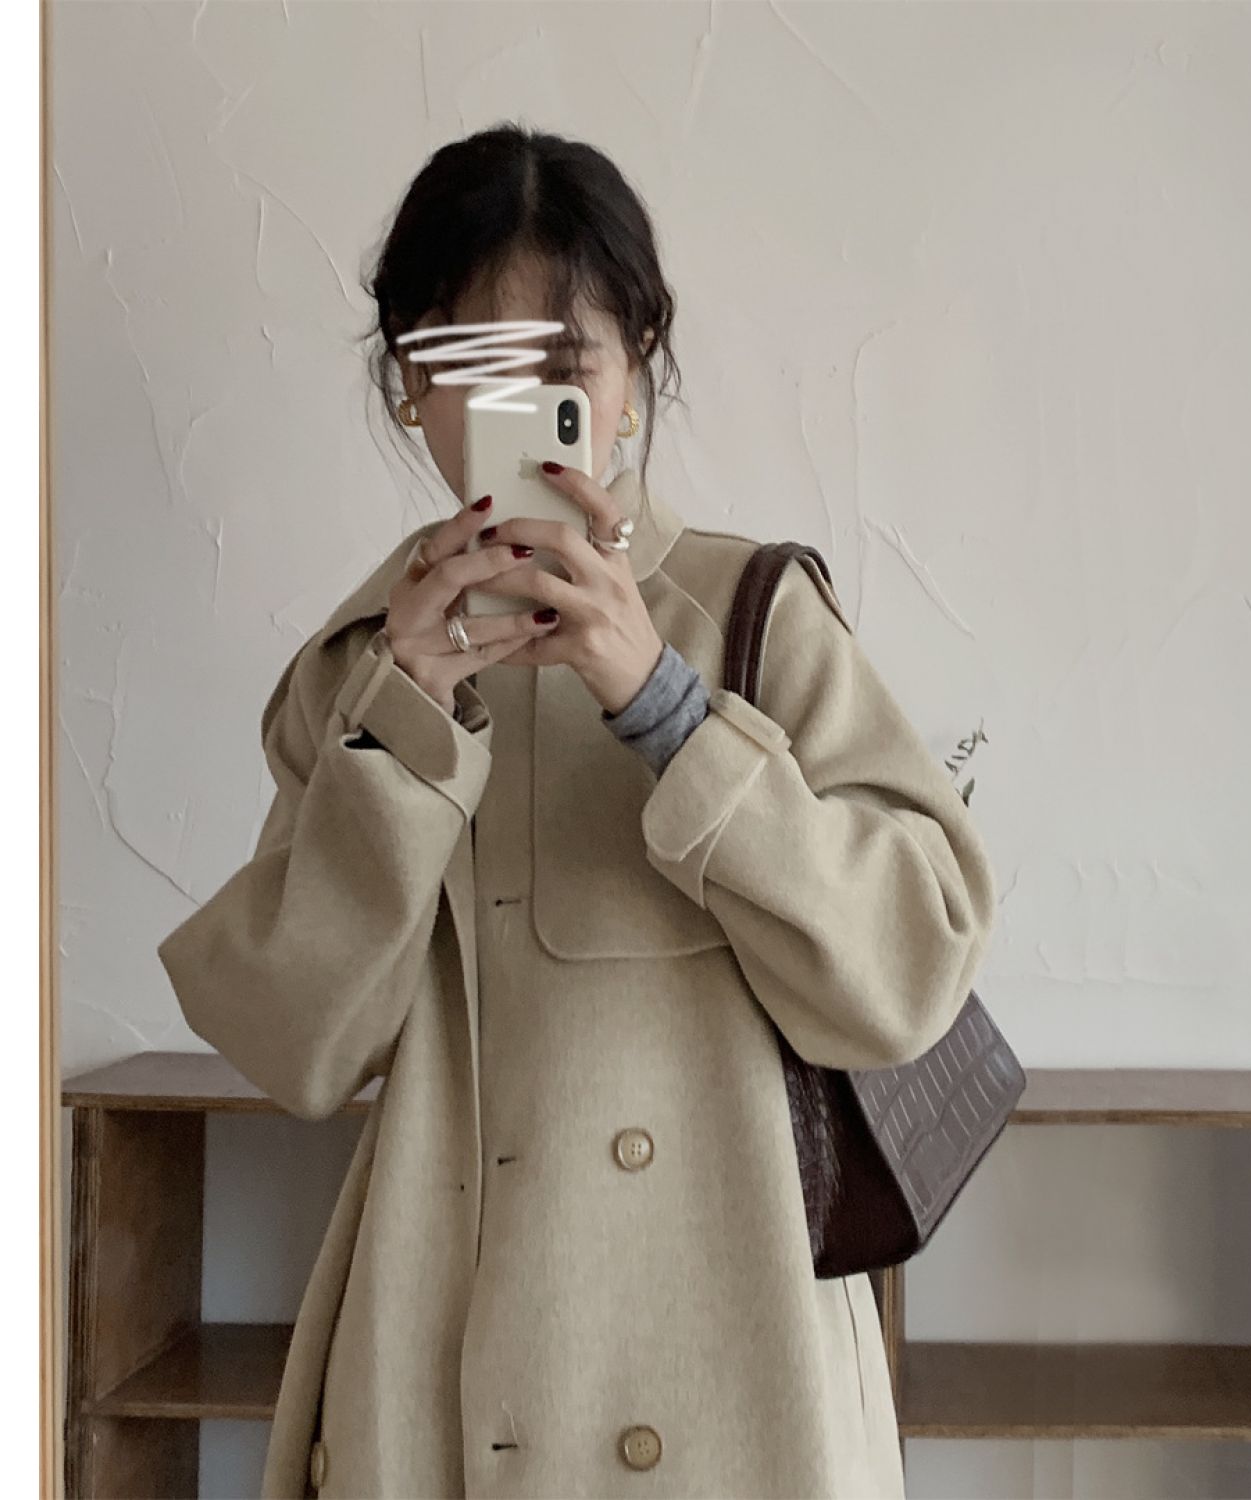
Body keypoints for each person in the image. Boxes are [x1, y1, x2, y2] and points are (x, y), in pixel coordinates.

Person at [158, 123, 997, 1500]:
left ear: (633, 370)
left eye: (562, 362)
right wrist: (400, 726)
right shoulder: (355, 670)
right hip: (443, 1360)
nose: (521, 407)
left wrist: (664, 705)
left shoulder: (755, 614)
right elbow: (296, 1045)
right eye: (467, 365)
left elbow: (908, 967)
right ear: (410, 389)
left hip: (731, 1361)